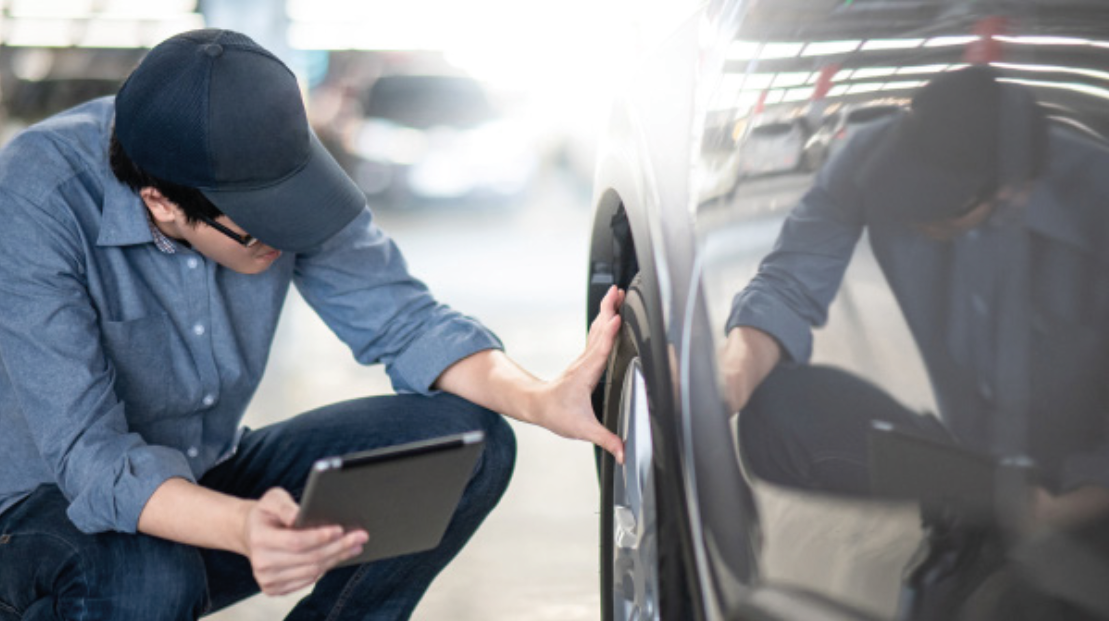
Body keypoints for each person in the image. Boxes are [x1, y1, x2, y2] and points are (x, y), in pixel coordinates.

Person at [0, 29, 625, 620]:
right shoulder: (39, 195)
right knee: (150, 571)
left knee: (462, 448)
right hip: (39, 515)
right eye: (258, 225)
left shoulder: (266, 157)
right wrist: (241, 527)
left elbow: (405, 320)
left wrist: (540, 398)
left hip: (203, 466)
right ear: (160, 202)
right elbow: (93, 459)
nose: (287, 233)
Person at [719, 65, 1109, 550]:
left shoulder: (1096, 198)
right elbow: (788, 284)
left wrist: (1072, 507)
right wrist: (728, 379)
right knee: (780, 409)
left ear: (1013, 191)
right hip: (972, 466)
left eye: (937, 204)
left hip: (1085, 490)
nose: (910, 211)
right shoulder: (873, 159)